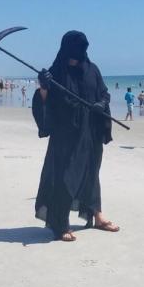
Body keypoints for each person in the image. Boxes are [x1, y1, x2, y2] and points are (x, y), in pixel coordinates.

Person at [32, 30, 118, 242]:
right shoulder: (55, 73)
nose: (78, 53)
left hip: (91, 131)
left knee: (91, 171)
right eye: (75, 49)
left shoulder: (92, 70)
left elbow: (104, 93)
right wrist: (44, 86)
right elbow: (45, 101)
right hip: (65, 133)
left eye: (82, 48)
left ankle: (97, 215)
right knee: (65, 175)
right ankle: (60, 223)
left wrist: (101, 104)